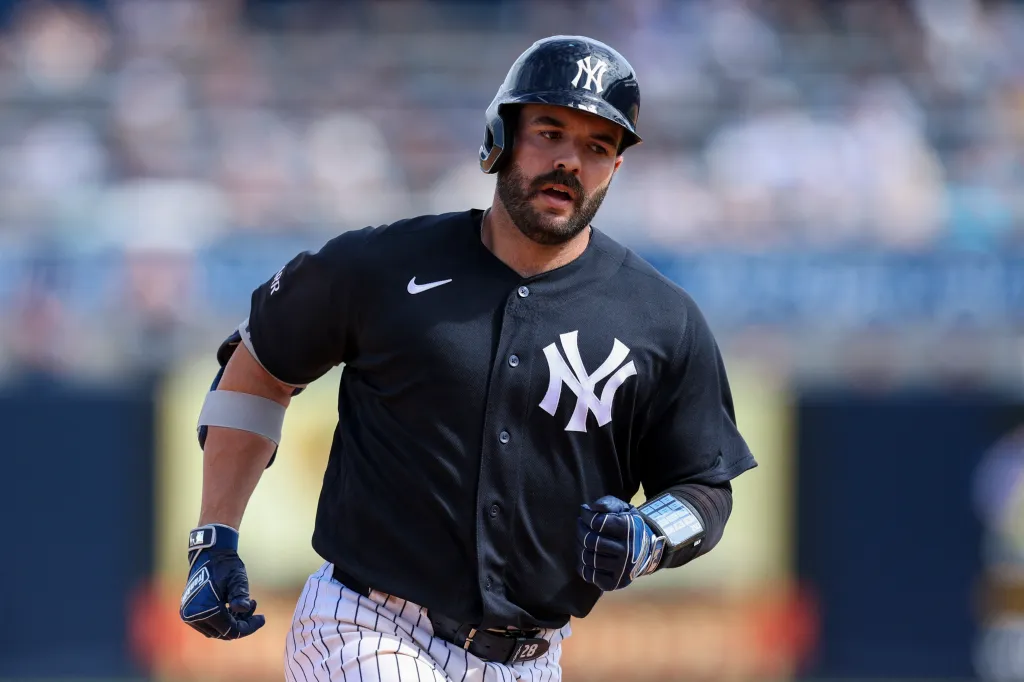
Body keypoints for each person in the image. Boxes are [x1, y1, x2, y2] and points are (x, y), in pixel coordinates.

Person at [179, 35, 758, 682]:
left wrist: (653, 533)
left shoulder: (660, 319)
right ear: (500, 136)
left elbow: (704, 487)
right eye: (549, 132)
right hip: (365, 628)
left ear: (616, 167)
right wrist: (214, 539)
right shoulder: (384, 264)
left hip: (534, 658)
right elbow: (260, 364)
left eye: (597, 147)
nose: (569, 161)